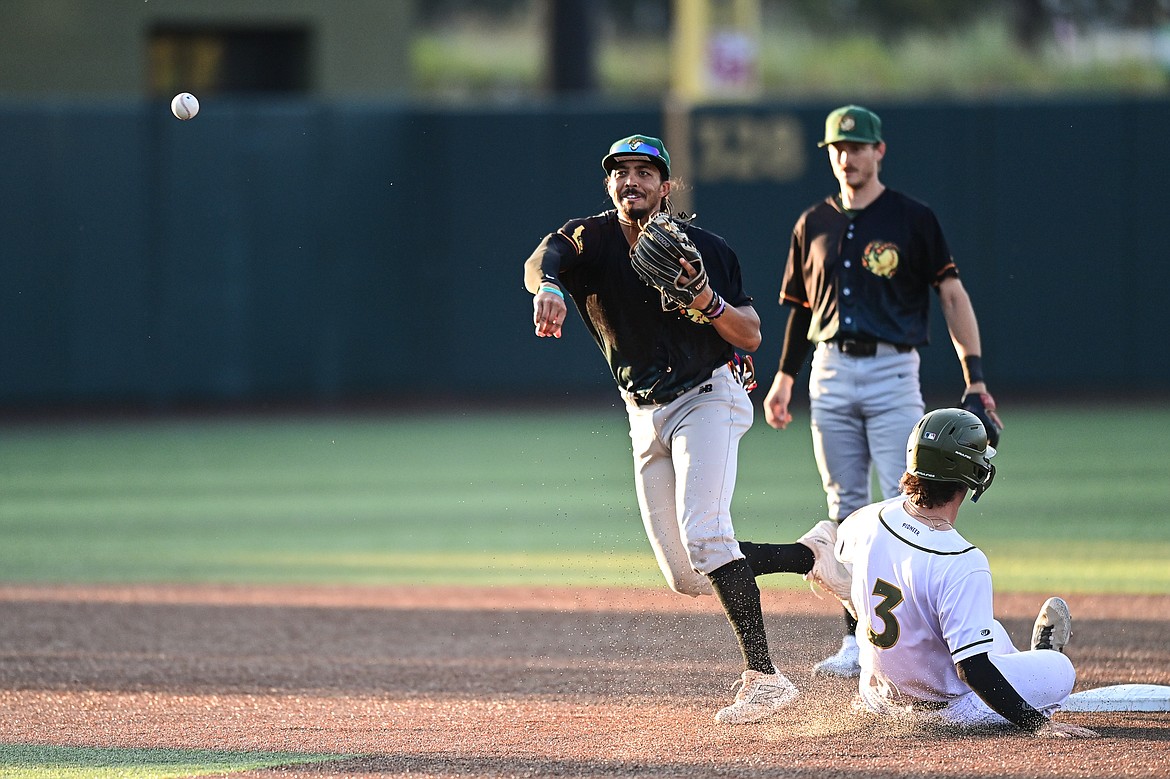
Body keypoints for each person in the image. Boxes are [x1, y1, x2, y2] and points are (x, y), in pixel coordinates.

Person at [523, 134, 850, 724]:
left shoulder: (704, 248)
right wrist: (549, 286)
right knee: (686, 575)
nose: (631, 181)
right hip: (643, 413)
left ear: (666, 186)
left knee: (707, 535)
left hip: (706, 397)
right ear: (609, 186)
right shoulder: (589, 239)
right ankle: (811, 554)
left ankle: (765, 679)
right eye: (620, 172)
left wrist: (703, 298)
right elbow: (541, 258)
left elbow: (750, 333)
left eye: (645, 172)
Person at [762, 104, 1004, 678]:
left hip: (894, 370)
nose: (848, 157)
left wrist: (975, 375)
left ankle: (940, 632)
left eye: (858, 147)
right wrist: (784, 377)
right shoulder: (811, 223)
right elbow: (799, 311)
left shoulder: (912, 218)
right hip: (829, 371)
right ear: (830, 155)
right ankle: (861, 639)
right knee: (845, 509)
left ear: (879, 151)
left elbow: (951, 295)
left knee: (917, 499)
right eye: (838, 149)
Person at [836, 407, 1098, 738]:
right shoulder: (962, 559)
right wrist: (1038, 725)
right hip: (948, 711)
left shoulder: (869, 517)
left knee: (990, 631)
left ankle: (1018, 666)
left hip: (877, 697)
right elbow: (971, 669)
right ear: (971, 473)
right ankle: (1041, 661)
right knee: (1060, 672)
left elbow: (842, 574)